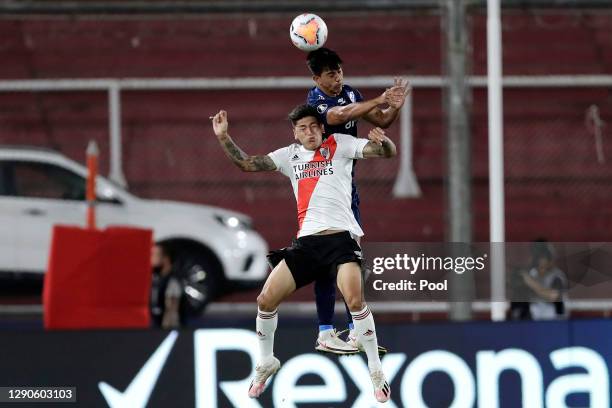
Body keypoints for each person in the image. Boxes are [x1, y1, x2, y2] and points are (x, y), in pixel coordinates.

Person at [211, 105, 396, 403]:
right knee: (265, 300)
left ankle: (376, 371)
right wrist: (223, 137)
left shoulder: (342, 145)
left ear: (322, 129)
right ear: (295, 133)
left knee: (355, 299)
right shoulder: (289, 155)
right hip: (307, 244)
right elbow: (247, 163)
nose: (309, 133)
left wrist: (384, 141)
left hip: (340, 240)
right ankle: (266, 361)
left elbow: (386, 153)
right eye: (302, 129)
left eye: (313, 126)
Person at [305, 47, 410, 353]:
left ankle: (354, 331)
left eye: (339, 72)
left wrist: (395, 107)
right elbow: (340, 115)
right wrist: (380, 99)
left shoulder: (350, 93)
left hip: (346, 189)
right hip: (320, 190)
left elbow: (382, 120)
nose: (337, 79)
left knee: (351, 260)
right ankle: (326, 330)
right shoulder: (315, 101)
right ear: (316, 78)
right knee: (326, 263)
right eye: (330, 75)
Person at [521, 240, 568, 320]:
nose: (541, 261)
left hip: (555, 320)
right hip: (535, 320)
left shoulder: (557, 276)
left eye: (545, 257)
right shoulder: (532, 273)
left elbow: (552, 296)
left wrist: (530, 282)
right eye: (538, 257)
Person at [150, 243, 185, 329]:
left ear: (165, 259)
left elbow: (172, 310)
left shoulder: (173, 282)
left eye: (155, 255)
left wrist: (165, 330)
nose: (150, 258)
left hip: (165, 326)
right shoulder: (154, 278)